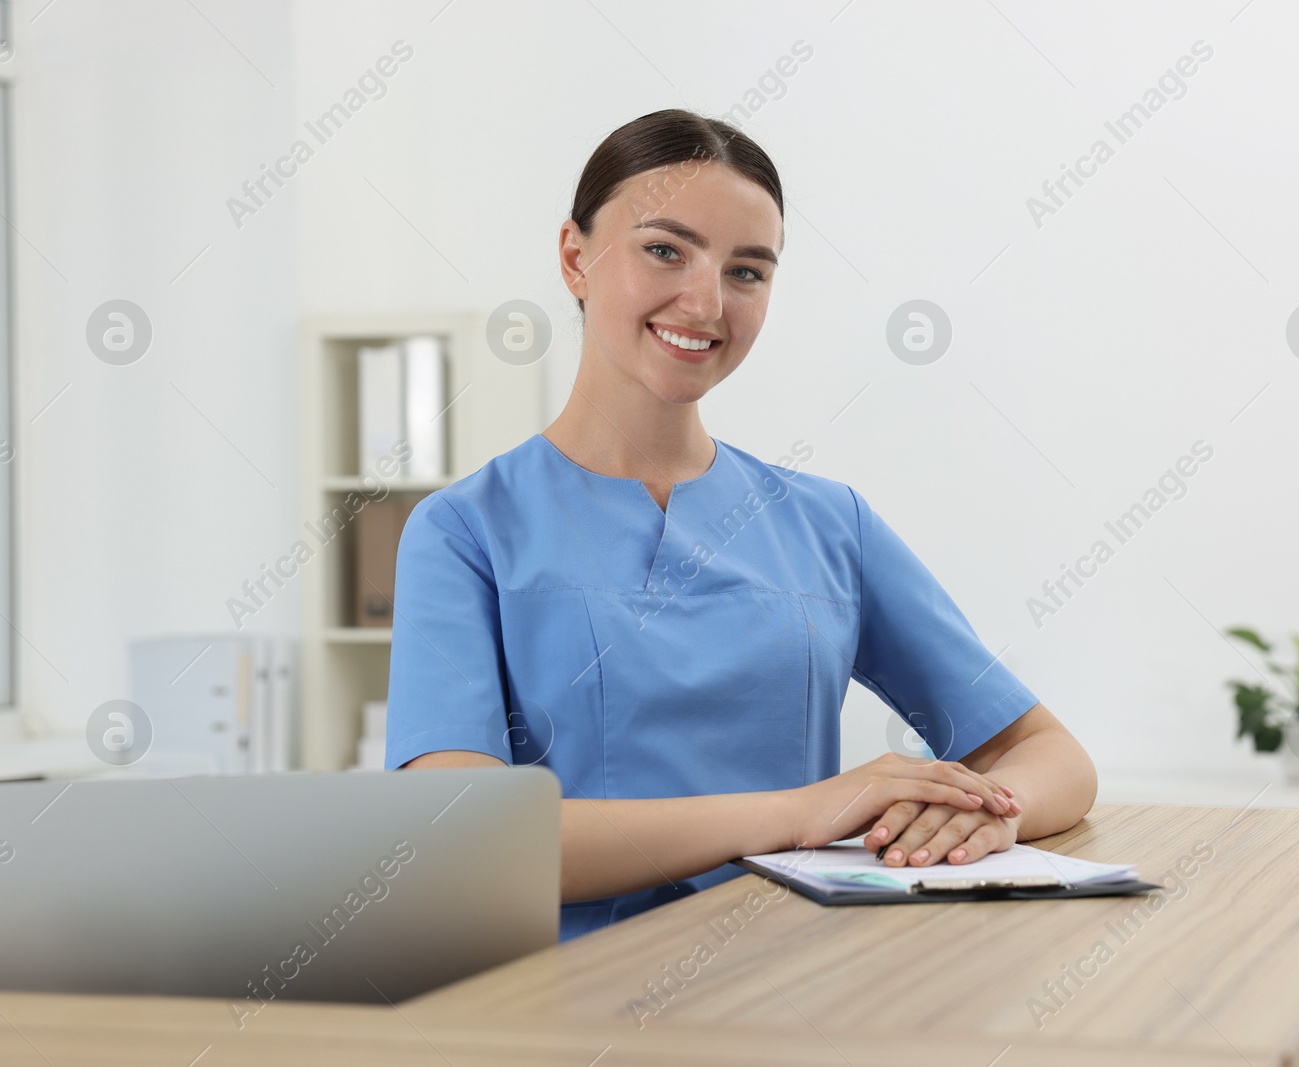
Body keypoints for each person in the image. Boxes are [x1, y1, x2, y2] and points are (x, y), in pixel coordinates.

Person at [386, 108, 1097, 942]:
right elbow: (468, 841)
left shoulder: (831, 524)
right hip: (568, 1008)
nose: (706, 300)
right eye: (665, 250)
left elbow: (1055, 757)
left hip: (792, 988)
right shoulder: (465, 532)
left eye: (748, 271)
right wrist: (801, 813)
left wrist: (990, 819)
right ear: (575, 257)